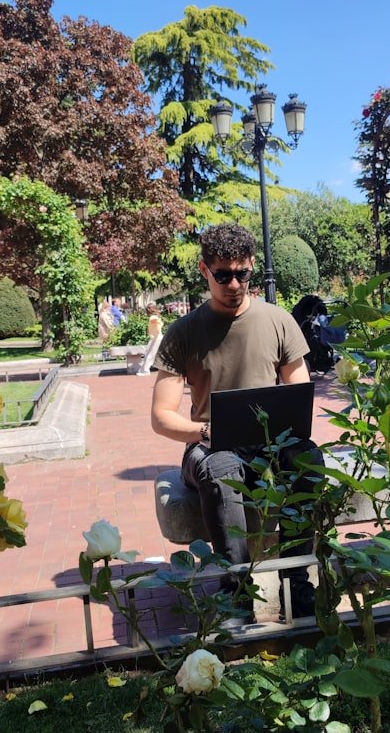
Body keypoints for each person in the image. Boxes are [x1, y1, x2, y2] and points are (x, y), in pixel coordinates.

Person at [149, 223, 322, 622]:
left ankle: (297, 585)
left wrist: (289, 430)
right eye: (222, 274)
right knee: (222, 468)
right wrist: (209, 431)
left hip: (270, 445)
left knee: (309, 460)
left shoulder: (278, 322)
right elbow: (162, 417)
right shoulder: (184, 332)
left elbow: (299, 393)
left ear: (252, 269)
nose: (233, 284)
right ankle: (237, 594)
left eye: (242, 273)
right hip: (208, 444)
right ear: (203, 271)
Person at [137, 302, 163, 376]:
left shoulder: (153, 317)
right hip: (155, 337)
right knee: (148, 353)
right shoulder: (154, 316)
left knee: (150, 354)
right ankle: (143, 370)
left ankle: (145, 371)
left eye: (148, 308)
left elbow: (156, 323)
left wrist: (156, 323)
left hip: (156, 338)